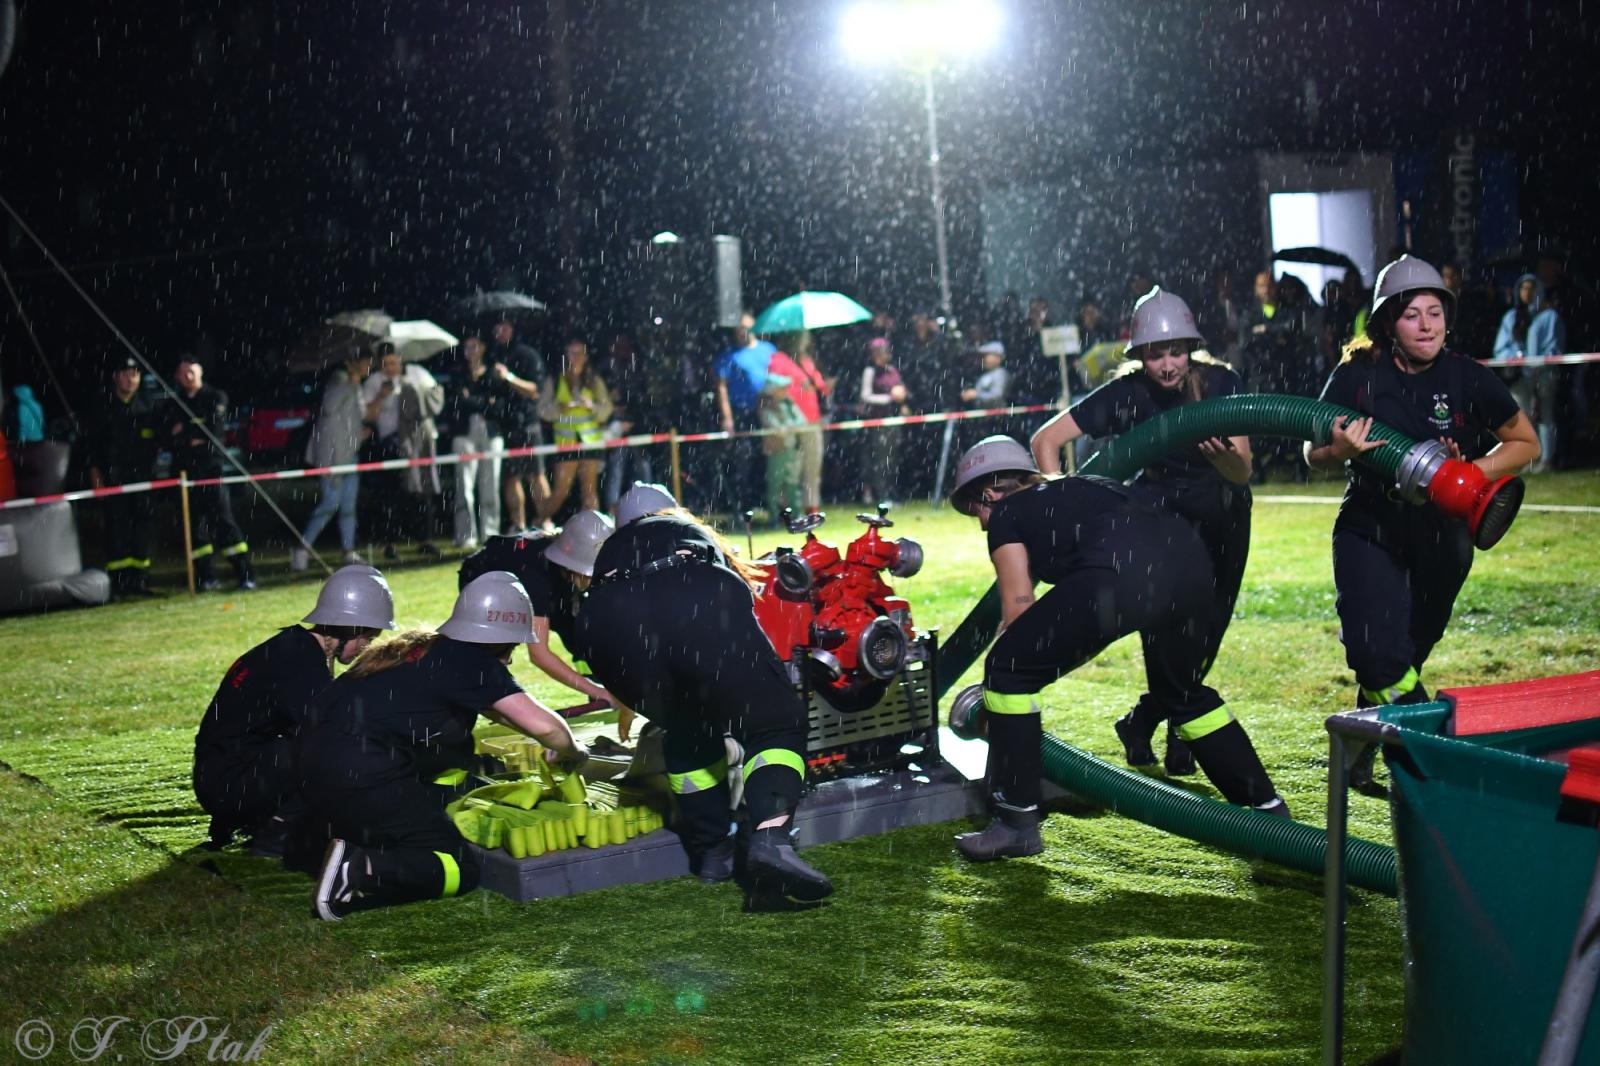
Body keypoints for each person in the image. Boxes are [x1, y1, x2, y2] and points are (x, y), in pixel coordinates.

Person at [946, 436, 1287, 861]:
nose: (979, 521)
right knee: (1181, 693)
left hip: (1120, 576)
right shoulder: (1082, 485)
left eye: (975, 508)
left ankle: (1016, 824)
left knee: (1007, 669)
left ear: (990, 492)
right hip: (1192, 568)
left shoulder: (1007, 514)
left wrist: (997, 698)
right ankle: (1268, 811)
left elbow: (1017, 605)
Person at [1305, 255, 1539, 785]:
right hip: (1371, 525)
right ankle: (1439, 765)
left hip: (1443, 536)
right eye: (1414, 315)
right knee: (1375, 651)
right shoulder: (1358, 373)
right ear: (1389, 321)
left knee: (1404, 651)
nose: (1428, 325)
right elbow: (1310, 451)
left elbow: (1526, 442)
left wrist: (1465, 473)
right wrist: (1337, 448)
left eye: (1436, 312)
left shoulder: (1466, 377)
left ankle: (1360, 748)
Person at [1029, 288, 1253, 776]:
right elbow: (1045, 440)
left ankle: (1145, 718)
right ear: (1139, 355)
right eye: (1156, 354)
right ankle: (1179, 732)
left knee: (1208, 632)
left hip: (1224, 519)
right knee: (1168, 630)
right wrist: (1060, 505)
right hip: (1160, 525)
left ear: (1190, 347)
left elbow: (1243, 472)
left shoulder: (1222, 384)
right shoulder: (1128, 393)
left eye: (1175, 351)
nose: (1168, 364)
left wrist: (1224, 461)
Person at [578, 510, 833, 905]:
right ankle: (771, 838)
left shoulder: (619, 548)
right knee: (774, 723)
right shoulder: (686, 534)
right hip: (690, 595)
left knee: (687, 730)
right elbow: (739, 604)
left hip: (603, 626)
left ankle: (713, 852)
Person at [301, 571, 590, 920]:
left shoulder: (425, 648)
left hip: (313, 763)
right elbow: (546, 726)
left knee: (428, 798)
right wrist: (574, 752)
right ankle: (359, 868)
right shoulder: (474, 662)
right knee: (457, 867)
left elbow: (498, 711)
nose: (511, 660)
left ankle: (326, 846)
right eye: (512, 647)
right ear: (498, 640)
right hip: (361, 771)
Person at [194, 565, 396, 857]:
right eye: (368, 638)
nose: (366, 647)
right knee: (327, 752)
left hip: (221, 775)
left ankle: (250, 819)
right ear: (349, 629)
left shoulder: (294, 648)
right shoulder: (301, 665)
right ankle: (275, 835)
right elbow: (335, 735)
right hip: (227, 786)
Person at [458, 510, 615, 710]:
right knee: (496, 652)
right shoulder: (537, 578)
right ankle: (499, 704)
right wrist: (598, 691)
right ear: (573, 565)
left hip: (547, 576)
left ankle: (598, 686)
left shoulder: (568, 562)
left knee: (585, 632)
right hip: (484, 578)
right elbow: (540, 655)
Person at [166, 356, 256, 590]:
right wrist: (190, 434)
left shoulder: (215, 396)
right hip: (185, 474)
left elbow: (213, 435)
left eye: (191, 370)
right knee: (193, 528)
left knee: (224, 523)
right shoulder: (174, 403)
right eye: (182, 372)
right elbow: (167, 437)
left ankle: (246, 575)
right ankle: (206, 577)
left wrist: (184, 431)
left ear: (200, 370)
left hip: (210, 471)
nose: (187, 376)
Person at [292, 347, 378, 570]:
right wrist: (350, 381)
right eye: (367, 362)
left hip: (350, 454)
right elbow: (329, 409)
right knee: (330, 503)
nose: (370, 366)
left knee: (348, 505)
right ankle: (302, 549)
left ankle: (348, 551)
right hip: (331, 456)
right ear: (354, 362)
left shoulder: (356, 385)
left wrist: (362, 433)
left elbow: (352, 419)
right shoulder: (339, 380)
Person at [85, 356, 162, 598]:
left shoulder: (148, 407)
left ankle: (138, 582)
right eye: (127, 374)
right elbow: (91, 447)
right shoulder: (102, 408)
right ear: (116, 377)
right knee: (117, 532)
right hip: (113, 480)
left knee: (142, 531)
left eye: (136, 374)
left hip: (143, 479)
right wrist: (95, 474)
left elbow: (159, 442)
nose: (131, 379)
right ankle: (119, 585)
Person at [361, 344, 445, 561]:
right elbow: (368, 416)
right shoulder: (374, 382)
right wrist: (381, 396)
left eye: (393, 362)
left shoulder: (418, 373)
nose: (390, 367)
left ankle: (425, 539)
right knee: (392, 495)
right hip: (391, 443)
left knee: (422, 491)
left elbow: (435, 399)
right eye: (385, 363)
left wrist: (413, 394)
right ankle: (389, 543)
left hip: (419, 442)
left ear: (400, 359)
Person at [535, 338, 613, 527]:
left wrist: (592, 407)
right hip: (566, 443)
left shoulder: (594, 380)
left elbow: (606, 409)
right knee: (561, 491)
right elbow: (542, 410)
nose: (575, 357)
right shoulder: (555, 380)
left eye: (579, 353)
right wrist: (559, 408)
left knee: (590, 491)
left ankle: (593, 532)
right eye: (571, 353)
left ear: (586, 356)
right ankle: (537, 523)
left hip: (590, 442)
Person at [1492, 273, 1566, 471]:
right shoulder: (1511, 317)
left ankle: (1546, 459)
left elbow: (1554, 346)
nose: (1527, 292)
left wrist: (1536, 362)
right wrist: (1516, 357)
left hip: (1544, 375)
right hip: (1518, 377)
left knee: (1545, 415)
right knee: (1522, 418)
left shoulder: (1549, 316)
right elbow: (1501, 347)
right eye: (1523, 288)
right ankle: (1527, 459)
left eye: (1531, 288)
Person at [447, 335, 512, 549]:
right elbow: (457, 403)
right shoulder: (458, 373)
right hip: (464, 434)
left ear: (483, 348)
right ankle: (466, 536)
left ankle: (490, 533)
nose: (470, 351)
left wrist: (472, 401)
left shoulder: (494, 373)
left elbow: (500, 407)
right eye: (466, 347)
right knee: (464, 485)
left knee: (490, 485)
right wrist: (485, 402)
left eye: (474, 346)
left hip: (491, 434)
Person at [486, 318, 549, 532]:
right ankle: (518, 525)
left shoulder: (528, 355)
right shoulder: (493, 357)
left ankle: (544, 520)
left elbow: (534, 390)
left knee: (536, 475)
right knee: (511, 478)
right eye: (496, 328)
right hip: (506, 427)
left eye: (503, 327)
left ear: (512, 328)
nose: (499, 332)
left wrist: (509, 377)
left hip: (529, 425)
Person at [714, 312, 775, 513]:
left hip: (768, 413)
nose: (742, 332)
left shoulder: (769, 350)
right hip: (743, 414)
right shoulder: (728, 356)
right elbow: (721, 387)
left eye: (746, 328)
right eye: (738, 329)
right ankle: (744, 507)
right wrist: (727, 417)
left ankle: (768, 504)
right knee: (743, 461)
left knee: (769, 459)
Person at [766, 331, 831, 514]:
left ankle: (811, 506)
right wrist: (798, 390)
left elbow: (818, 386)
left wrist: (823, 387)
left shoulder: (807, 360)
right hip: (790, 422)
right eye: (802, 336)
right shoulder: (778, 360)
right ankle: (786, 509)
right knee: (789, 469)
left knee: (812, 465)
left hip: (812, 419)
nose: (806, 340)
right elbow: (775, 388)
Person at [859, 336, 908, 505]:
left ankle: (892, 493)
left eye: (885, 351)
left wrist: (902, 400)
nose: (883, 355)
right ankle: (881, 495)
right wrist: (888, 398)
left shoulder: (892, 370)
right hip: (878, 422)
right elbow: (865, 396)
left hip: (894, 420)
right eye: (879, 352)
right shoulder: (870, 371)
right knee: (881, 460)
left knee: (892, 459)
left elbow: (901, 389)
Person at [758, 373, 805, 526]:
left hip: (792, 450)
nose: (785, 390)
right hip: (776, 452)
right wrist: (785, 428)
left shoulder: (789, 404)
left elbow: (801, 420)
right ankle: (774, 518)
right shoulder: (765, 407)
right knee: (774, 485)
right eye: (781, 387)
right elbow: (773, 425)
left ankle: (798, 516)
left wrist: (791, 426)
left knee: (793, 484)